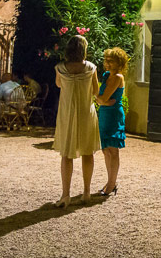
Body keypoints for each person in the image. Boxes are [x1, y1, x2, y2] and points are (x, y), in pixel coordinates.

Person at [52, 35, 101, 207]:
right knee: (87, 152)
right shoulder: (91, 68)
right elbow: (96, 90)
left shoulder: (60, 68)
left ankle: (66, 195)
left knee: (66, 154)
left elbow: (59, 85)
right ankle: (86, 192)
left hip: (67, 113)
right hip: (86, 112)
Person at [95, 47, 127, 196]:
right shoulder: (107, 75)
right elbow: (99, 97)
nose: (107, 63)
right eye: (105, 60)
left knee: (113, 150)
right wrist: (102, 101)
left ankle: (112, 183)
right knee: (105, 149)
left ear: (118, 62)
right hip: (104, 114)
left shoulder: (118, 77)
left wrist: (102, 101)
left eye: (110, 61)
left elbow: (103, 97)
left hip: (113, 115)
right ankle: (110, 181)